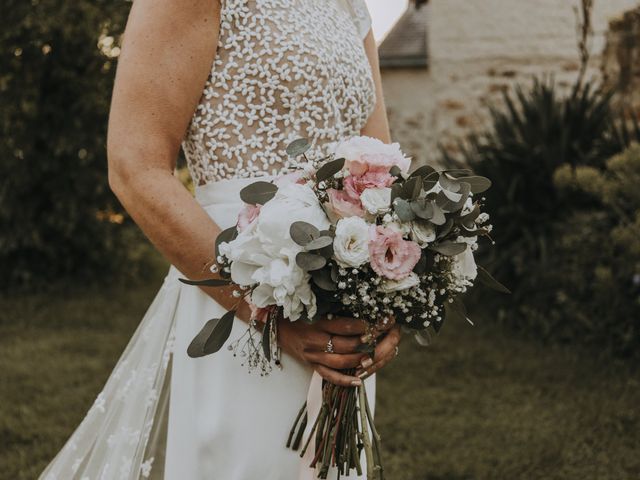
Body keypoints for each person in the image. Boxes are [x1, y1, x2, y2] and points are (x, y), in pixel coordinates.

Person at [40, 0, 401, 478]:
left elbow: (381, 169)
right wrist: (264, 312)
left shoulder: (350, 7)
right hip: (244, 290)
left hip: (345, 311)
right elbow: (135, 166)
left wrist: (389, 298)